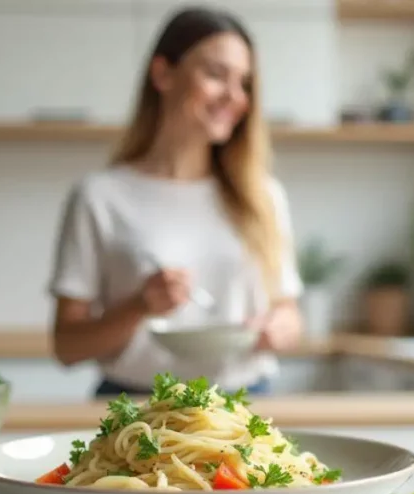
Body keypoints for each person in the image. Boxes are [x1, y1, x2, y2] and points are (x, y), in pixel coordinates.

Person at [47, 6, 305, 399]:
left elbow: (288, 312)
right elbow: (66, 347)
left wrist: (280, 328)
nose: (235, 98)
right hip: (134, 409)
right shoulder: (99, 197)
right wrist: (139, 305)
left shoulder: (263, 196)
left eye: (245, 83)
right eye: (217, 75)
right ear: (163, 73)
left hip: (245, 406)